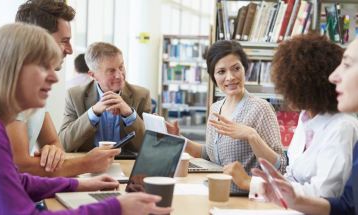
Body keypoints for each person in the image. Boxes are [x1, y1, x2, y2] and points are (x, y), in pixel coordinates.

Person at [0, 22, 171, 215]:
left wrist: (78, 184)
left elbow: (19, 181)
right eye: (44, 67)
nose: (54, 78)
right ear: (12, 69)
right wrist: (115, 207)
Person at [223, 33, 358, 199]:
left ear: (310, 86)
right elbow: (292, 176)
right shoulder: (305, 119)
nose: (287, 96)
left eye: (292, 88)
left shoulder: (342, 127)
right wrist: (261, 181)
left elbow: (325, 194)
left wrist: (250, 182)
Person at [6, 0, 118, 177]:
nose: (70, 50)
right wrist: (86, 163)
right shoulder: (9, 87)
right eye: (64, 41)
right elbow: (20, 165)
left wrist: (53, 152)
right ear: (38, 38)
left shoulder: (34, 87)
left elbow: (54, 142)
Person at [167, 40, 287, 193]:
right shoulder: (216, 108)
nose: (230, 77)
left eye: (236, 68)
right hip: (218, 193)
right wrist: (179, 139)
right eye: (221, 72)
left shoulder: (260, 108)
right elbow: (211, 155)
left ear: (245, 69)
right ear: (213, 77)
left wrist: (252, 135)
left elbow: (281, 166)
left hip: (248, 199)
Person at [59, 42, 151, 153]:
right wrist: (93, 113)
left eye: (121, 67)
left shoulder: (141, 96)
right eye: (111, 71)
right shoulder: (75, 96)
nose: (119, 75)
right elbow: (63, 144)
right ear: (93, 75)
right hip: (88, 166)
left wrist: (129, 114)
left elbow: (148, 147)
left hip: (126, 165)